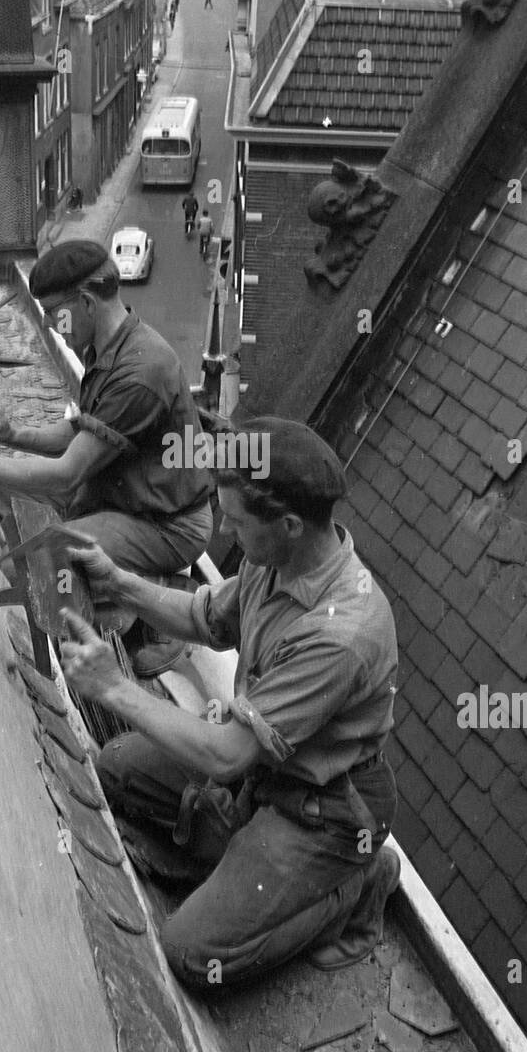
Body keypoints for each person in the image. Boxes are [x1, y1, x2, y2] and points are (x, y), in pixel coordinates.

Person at [58, 417, 401, 989]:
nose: (222, 529)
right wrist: (117, 581)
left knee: (193, 955)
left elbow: (226, 757)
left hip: (322, 808)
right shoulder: (276, 559)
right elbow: (205, 619)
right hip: (264, 773)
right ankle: (245, 856)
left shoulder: (344, 635)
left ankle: (355, 887)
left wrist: (113, 686)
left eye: (235, 521)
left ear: (289, 524)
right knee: (116, 770)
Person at [0, 240, 213, 675]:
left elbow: (65, 475)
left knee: (54, 559)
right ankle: (112, 573)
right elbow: (82, 432)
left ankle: (160, 604)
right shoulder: (109, 343)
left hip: (167, 524)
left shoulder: (140, 373)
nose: (54, 328)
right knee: (3, 490)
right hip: (122, 497)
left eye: (57, 313)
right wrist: (13, 433)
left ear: (88, 302)